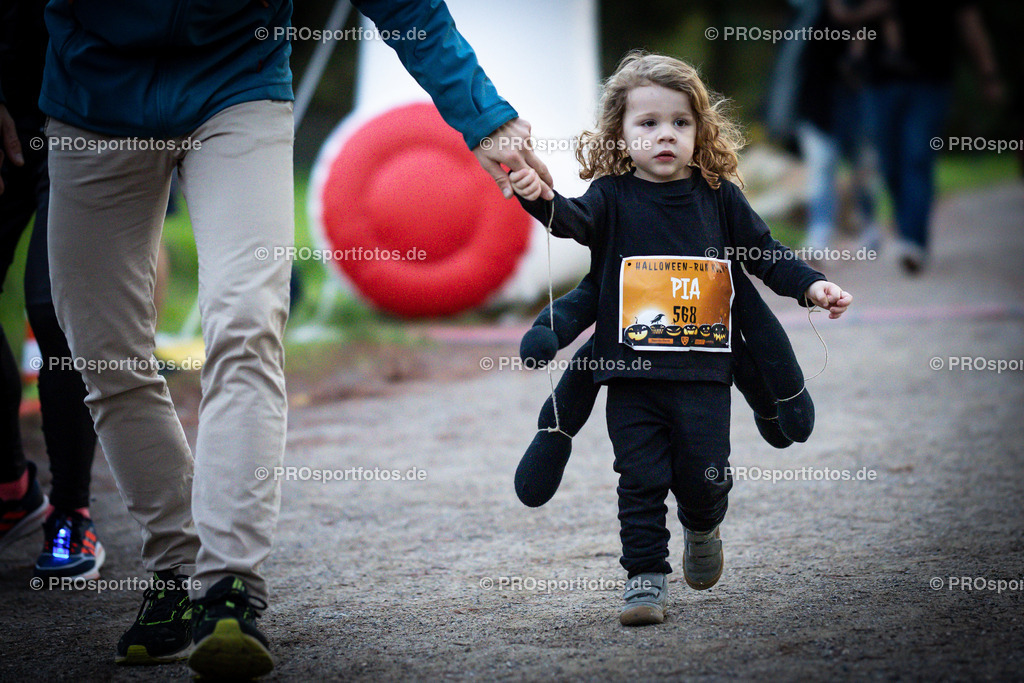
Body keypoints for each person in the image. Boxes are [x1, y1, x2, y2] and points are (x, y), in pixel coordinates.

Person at [40, 0, 552, 678]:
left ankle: (227, 587)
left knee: (247, 324)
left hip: (236, 82)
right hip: (89, 96)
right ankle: (173, 567)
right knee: (104, 353)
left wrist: (483, 115)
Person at [510, 51, 851, 626]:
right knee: (638, 475)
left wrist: (813, 287)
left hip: (703, 374)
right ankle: (644, 577)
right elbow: (568, 220)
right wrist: (536, 194)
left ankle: (703, 522)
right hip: (630, 374)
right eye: (648, 123)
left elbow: (766, 256)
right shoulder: (611, 198)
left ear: (700, 130)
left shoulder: (719, 197)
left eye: (680, 122)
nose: (665, 134)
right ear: (620, 133)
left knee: (702, 474)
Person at [0, 0, 103, 581]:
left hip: (82, 112)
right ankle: (13, 487)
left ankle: (72, 512)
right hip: (7, 106)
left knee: (52, 304)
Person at [860, 0, 1004, 273]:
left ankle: (913, 240)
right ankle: (906, 230)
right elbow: (847, 15)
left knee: (917, 157)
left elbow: (970, 23)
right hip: (880, 82)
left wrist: (988, 74)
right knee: (889, 164)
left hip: (931, 81)